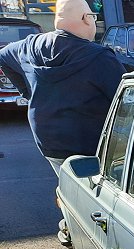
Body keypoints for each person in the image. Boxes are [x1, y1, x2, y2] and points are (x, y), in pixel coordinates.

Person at [0, 0, 123, 176]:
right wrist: (28, 92)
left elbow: (3, 57)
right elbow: (127, 104)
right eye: (93, 17)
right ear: (85, 18)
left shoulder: (29, 46)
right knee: (94, 195)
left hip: (49, 143)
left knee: (69, 187)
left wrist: (29, 92)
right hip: (92, 147)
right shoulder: (100, 58)